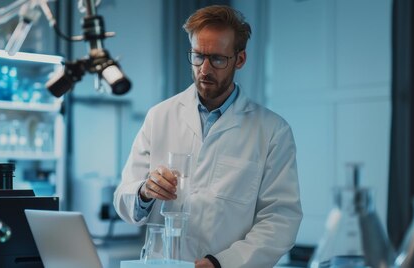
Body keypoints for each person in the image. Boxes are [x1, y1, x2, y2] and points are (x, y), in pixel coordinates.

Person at [113, 5, 302, 268]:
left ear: (240, 59)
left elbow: (280, 220)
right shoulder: (160, 116)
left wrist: (221, 263)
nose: (204, 69)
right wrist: (144, 191)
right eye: (198, 56)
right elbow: (123, 199)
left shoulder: (272, 131)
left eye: (217, 59)